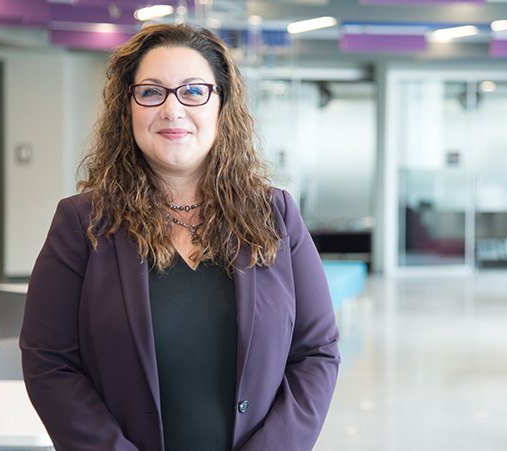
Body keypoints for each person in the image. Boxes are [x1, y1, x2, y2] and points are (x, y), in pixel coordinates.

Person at [19, 23, 340, 451]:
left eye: (193, 91)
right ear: (127, 108)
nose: (172, 109)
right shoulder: (83, 222)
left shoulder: (274, 215)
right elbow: (48, 360)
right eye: (152, 92)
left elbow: (317, 352)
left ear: (222, 105)